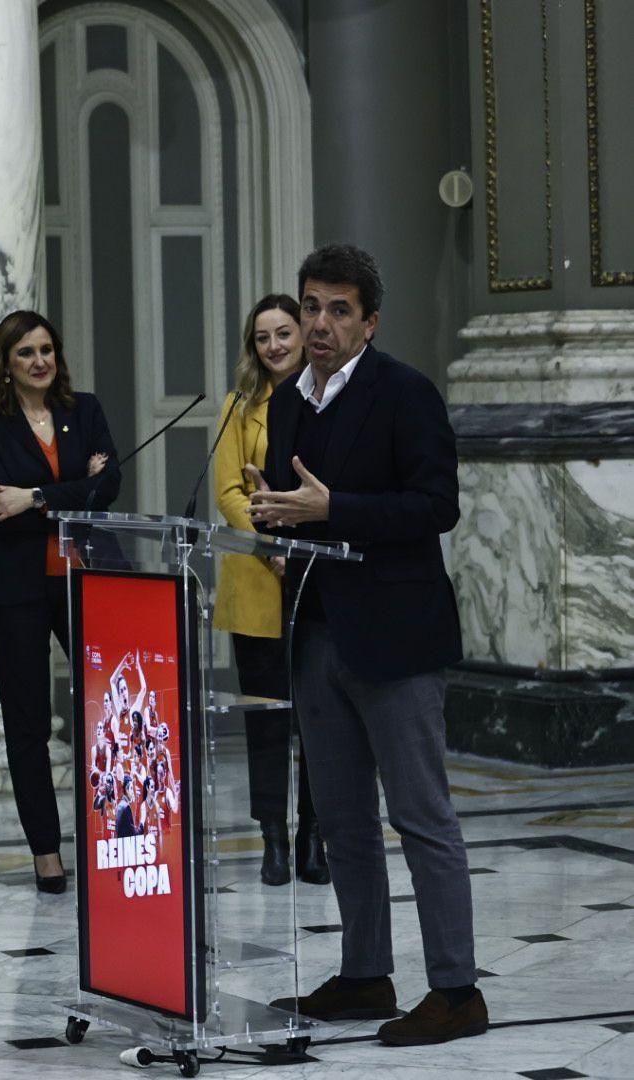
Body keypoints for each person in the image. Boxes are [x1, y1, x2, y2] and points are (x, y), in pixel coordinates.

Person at [249, 244, 483, 1045]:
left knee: (422, 818)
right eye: (311, 305)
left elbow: (435, 506)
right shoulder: (287, 402)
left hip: (397, 636)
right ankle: (365, 974)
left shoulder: (405, 393)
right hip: (317, 633)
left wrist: (329, 510)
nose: (319, 323)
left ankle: (456, 989)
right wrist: (272, 519)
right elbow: (295, 500)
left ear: (369, 321)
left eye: (338, 309)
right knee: (344, 823)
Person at [0, 310, 120, 893]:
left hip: (87, 575)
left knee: (106, 714)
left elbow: (109, 487)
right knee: (26, 719)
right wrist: (70, 490)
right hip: (16, 586)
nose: (39, 361)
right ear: (7, 362)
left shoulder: (86, 410)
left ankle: (111, 834)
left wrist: (33, 496)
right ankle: (46, 850)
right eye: (26, 351)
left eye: (47, 350)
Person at [212, 294, 327, 887]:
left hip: (316, 577)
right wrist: (269, 543)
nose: (276, 345)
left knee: (317, 715)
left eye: (285, 333)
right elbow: (230, 491)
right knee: (266, 719)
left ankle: (313, 834)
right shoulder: (239, 407)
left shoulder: (324, 402)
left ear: (304, 336)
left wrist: (296, 541)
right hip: (257, 577)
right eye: (263, 338)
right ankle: (273, 838)